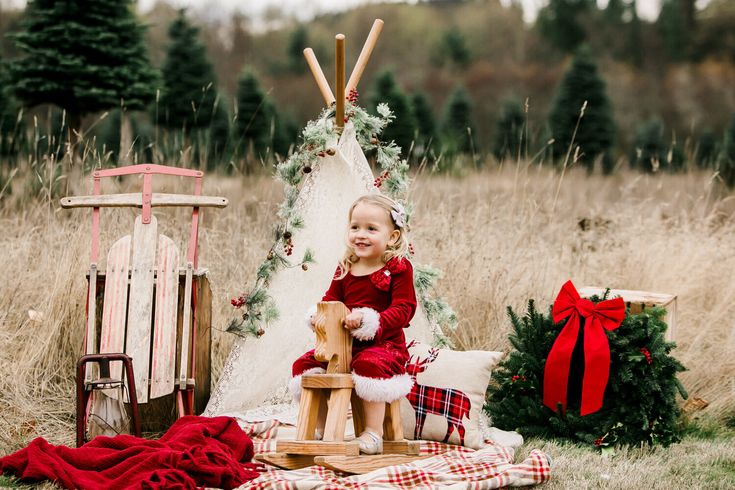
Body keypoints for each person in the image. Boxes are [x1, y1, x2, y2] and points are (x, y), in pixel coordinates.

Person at [289, 194, 417, 455]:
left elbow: (404, 310)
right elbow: (331, 300)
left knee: (369, 364)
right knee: (304, 365)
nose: (361, 234)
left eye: (371, 229)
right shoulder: (346, 266)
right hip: (345, 346)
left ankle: (373, 433)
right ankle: (321, 429)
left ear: (392, 237)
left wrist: (370, 319)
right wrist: (320, 316)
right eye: (355, 227)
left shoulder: (398, 268)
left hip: (385, 345)